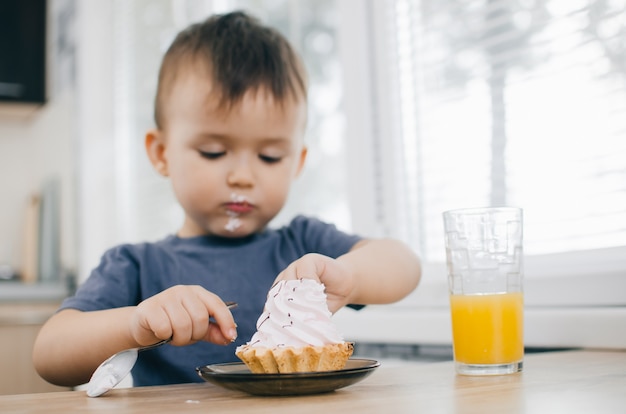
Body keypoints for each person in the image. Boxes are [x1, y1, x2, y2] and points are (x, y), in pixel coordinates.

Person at [33, 11, 421, 388]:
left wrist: (350, 277)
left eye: (270, 157)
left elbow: (403, 265)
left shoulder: (304, 246)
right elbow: (49, 354)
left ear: (297, 162)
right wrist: (136, 323)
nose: (242, 176)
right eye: (214, 152)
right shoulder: (137, 265)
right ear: (161, 152)